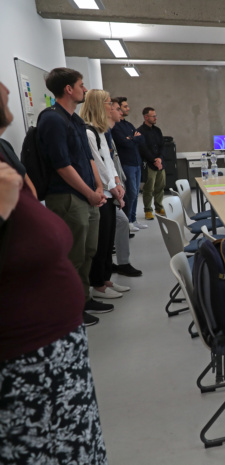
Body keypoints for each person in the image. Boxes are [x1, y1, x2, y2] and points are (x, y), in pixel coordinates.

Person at [0, 80, 108, 464]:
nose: (5, 88)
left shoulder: (5, 148)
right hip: (23, 363)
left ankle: (87, 299)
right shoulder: (51, 121)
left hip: (56, 351)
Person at [39, 68, 113, 323]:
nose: (85, 89)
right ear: (69, 89)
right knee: (73, 255)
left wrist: (98, 188)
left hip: (87, 196)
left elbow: (89, 158)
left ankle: (84, 298)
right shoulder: (52, 119)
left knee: (89, 250)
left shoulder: (76, 121)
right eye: (81, 85)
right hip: (68, 198)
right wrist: (89, 193)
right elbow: (62, 165)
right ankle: (71, 309)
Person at [80, 89, 131, 299]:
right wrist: (112, 187)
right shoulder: (88, 132)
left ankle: (106, 279)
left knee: (109, 240)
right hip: (103, 194)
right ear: (99, 106)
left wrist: (117, 183)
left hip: (110, 192)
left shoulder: (100, 132)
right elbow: (97, 165)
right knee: (100, 242)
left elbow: (109, 162)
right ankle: (98, 284)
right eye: (109, 103)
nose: (112, 107)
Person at [106, 101, 143, 278]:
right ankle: (106, 272)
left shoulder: (113, 129)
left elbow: (138, 139)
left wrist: (117, 182)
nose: (121, 111)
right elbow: (103, 163)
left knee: (123, 215)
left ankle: (121, 263)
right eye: (117, 108)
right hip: (106, 188)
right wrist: (114, 185)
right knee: (130, 196)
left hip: (117, 179)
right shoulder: (99, 132)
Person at [112, 96, 147, 232]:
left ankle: (133, 219)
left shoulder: (129, 125)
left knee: (136, 192)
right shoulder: (116, 127)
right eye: (125, 106)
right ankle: (129, 221)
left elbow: (141, 139)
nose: (128, 108)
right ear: (119, 109)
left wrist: (132, 138)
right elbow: (124, 143)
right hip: (127, 164)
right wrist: (134, 138)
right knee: (131, 193)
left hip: (136, 163)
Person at [137, 106, 166, 220]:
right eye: (153, 116)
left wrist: (160, 159)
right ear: (146, 117)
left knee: (160, 186)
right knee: (149, 188)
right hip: (149, 164)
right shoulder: (140, 131)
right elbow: (143, 149)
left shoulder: (157, 130)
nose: (155, 118)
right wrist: (154, 160)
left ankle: (159, 207)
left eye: (155, 116)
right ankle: (148, 210)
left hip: (160, 163)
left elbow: (162, 146)